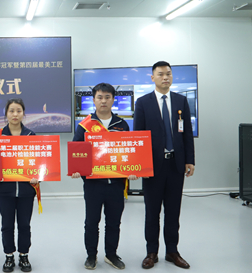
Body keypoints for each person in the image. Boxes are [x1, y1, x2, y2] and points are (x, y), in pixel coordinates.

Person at [134, 62, 195, 270]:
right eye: (160, 74)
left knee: (173, 211)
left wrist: (190, 159)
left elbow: (187, 133)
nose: (165, 77)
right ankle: (151, 252)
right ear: (153, 78)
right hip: (152, 167)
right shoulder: (143, 102)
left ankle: (172, 251)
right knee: (152, 212)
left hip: (176, 165)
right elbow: (138, 136)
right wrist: (140, 165)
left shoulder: (181, 100)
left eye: (168, 74)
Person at [72, 83, 138, 270]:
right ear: (93, 100)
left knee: (114, 222)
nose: (103, 101)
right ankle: (91, 256)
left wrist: (132, 170)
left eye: (107, 97)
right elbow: (76, 151)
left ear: (113, 100)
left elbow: (128, 152)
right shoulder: (84, 126)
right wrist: (77, 170)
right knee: (91, 222)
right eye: (100, 97)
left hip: (116, 184)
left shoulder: (122, 125)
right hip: (93, 184)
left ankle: (111, 255)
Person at [0, 98, 37, 273]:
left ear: (24, 114)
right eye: (11, 111)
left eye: (18, 111)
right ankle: (9, 255)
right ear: (6, 114)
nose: (15, 114)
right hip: (4, 190)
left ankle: (24, 255)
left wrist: (38, 177)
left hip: (26, 190)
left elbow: (40, 162)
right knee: (7, 224)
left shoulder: (31, 136)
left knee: (24, 225)